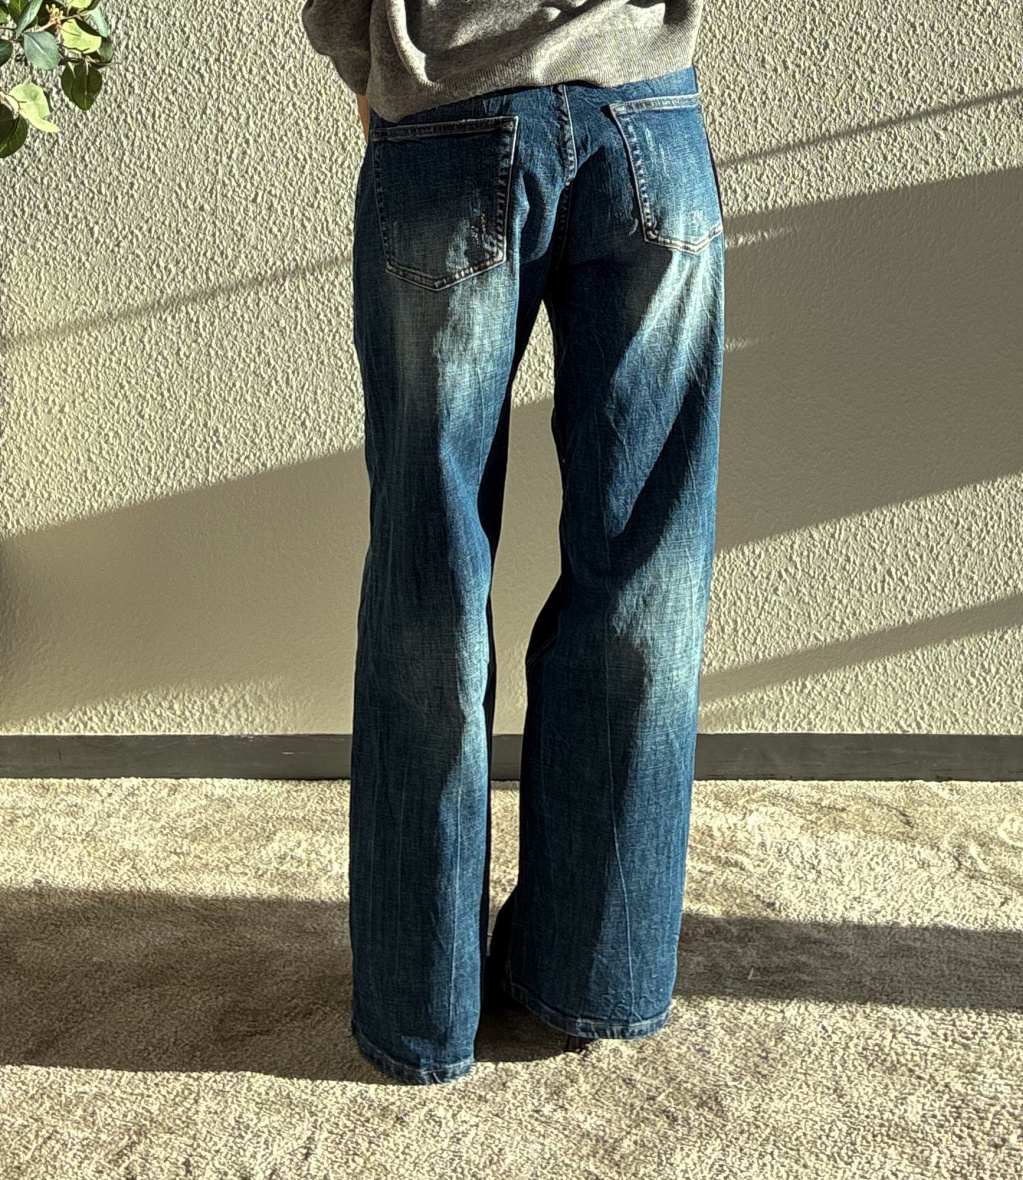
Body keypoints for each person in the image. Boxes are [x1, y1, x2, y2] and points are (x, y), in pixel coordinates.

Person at [301, 0, 725, 1086]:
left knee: (428, 572)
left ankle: (421, 1006)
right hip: (647, 121)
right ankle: (597, 975)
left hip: (447, 117)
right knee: (643, 575)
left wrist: (369, 63)